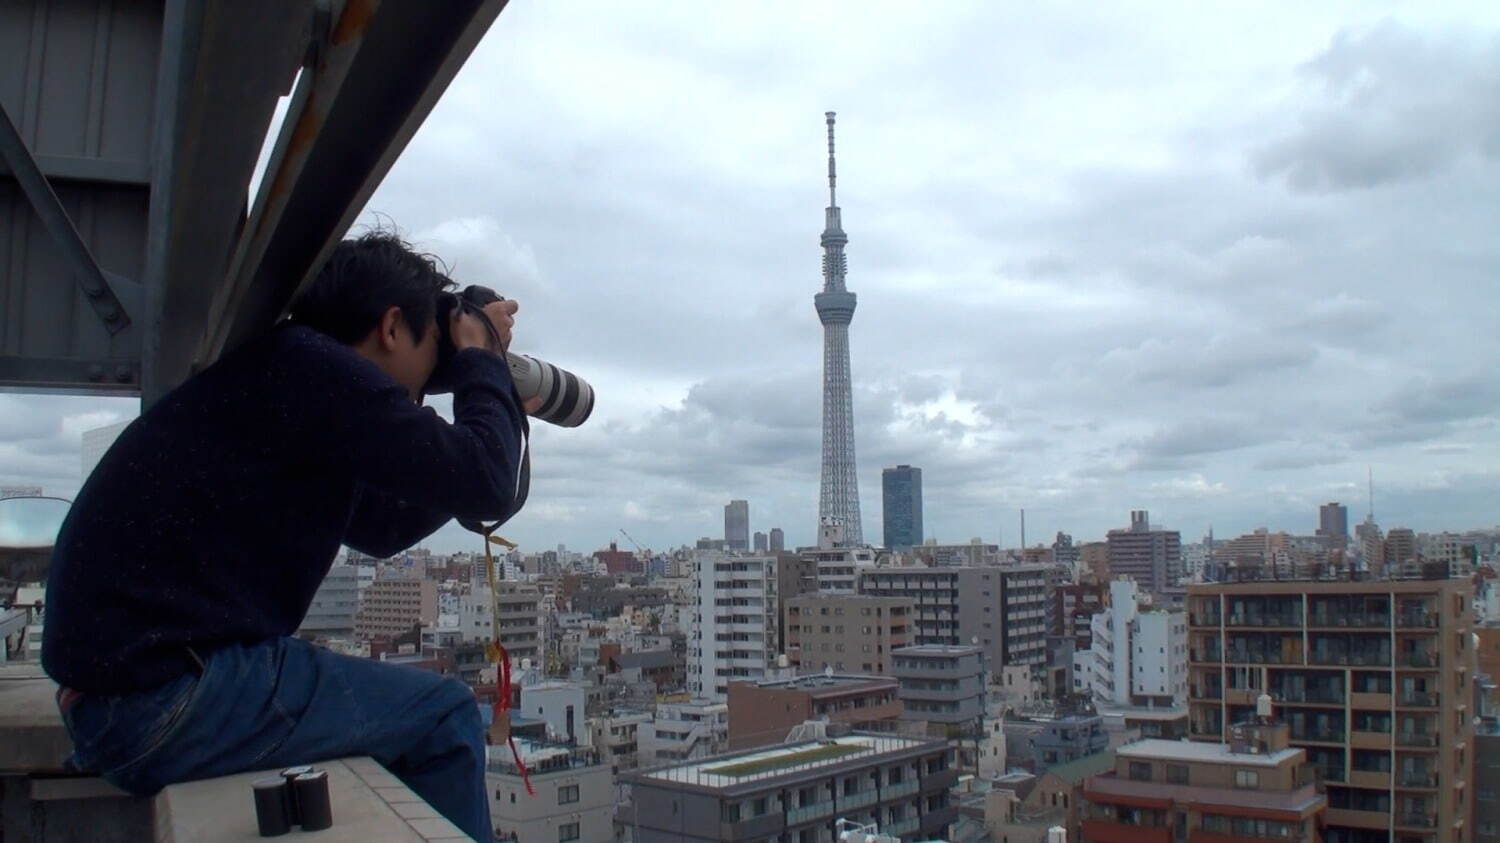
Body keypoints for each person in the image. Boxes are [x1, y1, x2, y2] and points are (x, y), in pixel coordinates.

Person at [42, 231, 533, 841]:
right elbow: (484, 480)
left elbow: (383, 528)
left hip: (118, 706)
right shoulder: (312, 370)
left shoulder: (288, 378)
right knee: (448, 718)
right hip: (162, 702)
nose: (435, 371)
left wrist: (486, 412)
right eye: (435, 347)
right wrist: (484, 365)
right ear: (389, 327)